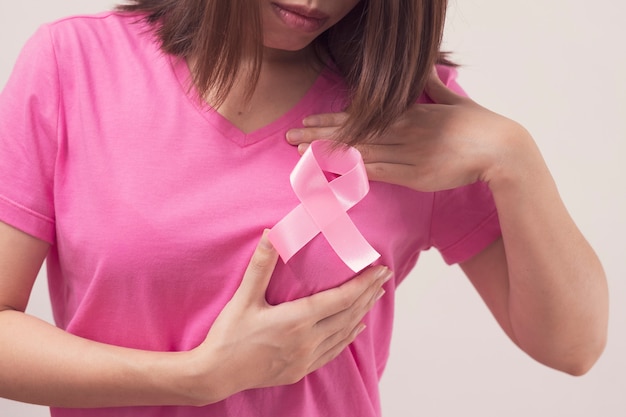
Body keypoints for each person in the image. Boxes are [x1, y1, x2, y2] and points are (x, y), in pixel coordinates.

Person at [0, 0, 609, 416]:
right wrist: (197, 377)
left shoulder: (409, 114)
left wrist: (516, 159)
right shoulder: (74, 65)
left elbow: (573, 346)